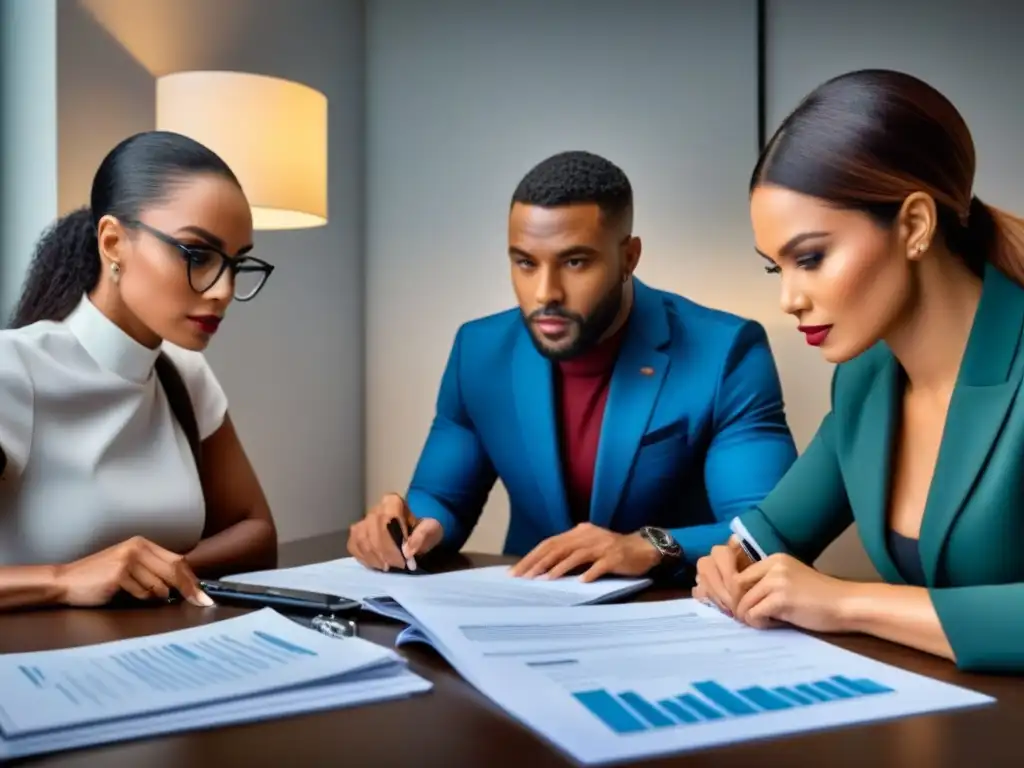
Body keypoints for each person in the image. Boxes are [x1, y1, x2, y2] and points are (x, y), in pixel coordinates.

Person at [693, 68, 1024, 673]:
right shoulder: (866, 378)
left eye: (811, 258)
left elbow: (832, 598)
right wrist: (729, 559)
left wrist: (849, 602)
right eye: (777, 268)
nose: (789, 298)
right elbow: (773, 529)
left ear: (915, 226)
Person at [349, 150, 797, 581]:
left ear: (629, 257)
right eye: (525, 263)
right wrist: (408, 525)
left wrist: (647, 547)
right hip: (528, 613)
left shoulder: (726, 351)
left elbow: (767, 531)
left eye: (575, 261)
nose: (546, 292)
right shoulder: (479, 351)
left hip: (673, 614)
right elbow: (443, 497)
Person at [0, 130, 279, 611]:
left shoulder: (185, 374)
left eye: (236, 263)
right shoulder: (15, 370)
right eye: (198, 255)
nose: (224, 290)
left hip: (163, 657)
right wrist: (63, 579)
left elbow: (256, 533)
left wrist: (161, 570)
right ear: (112, 242)